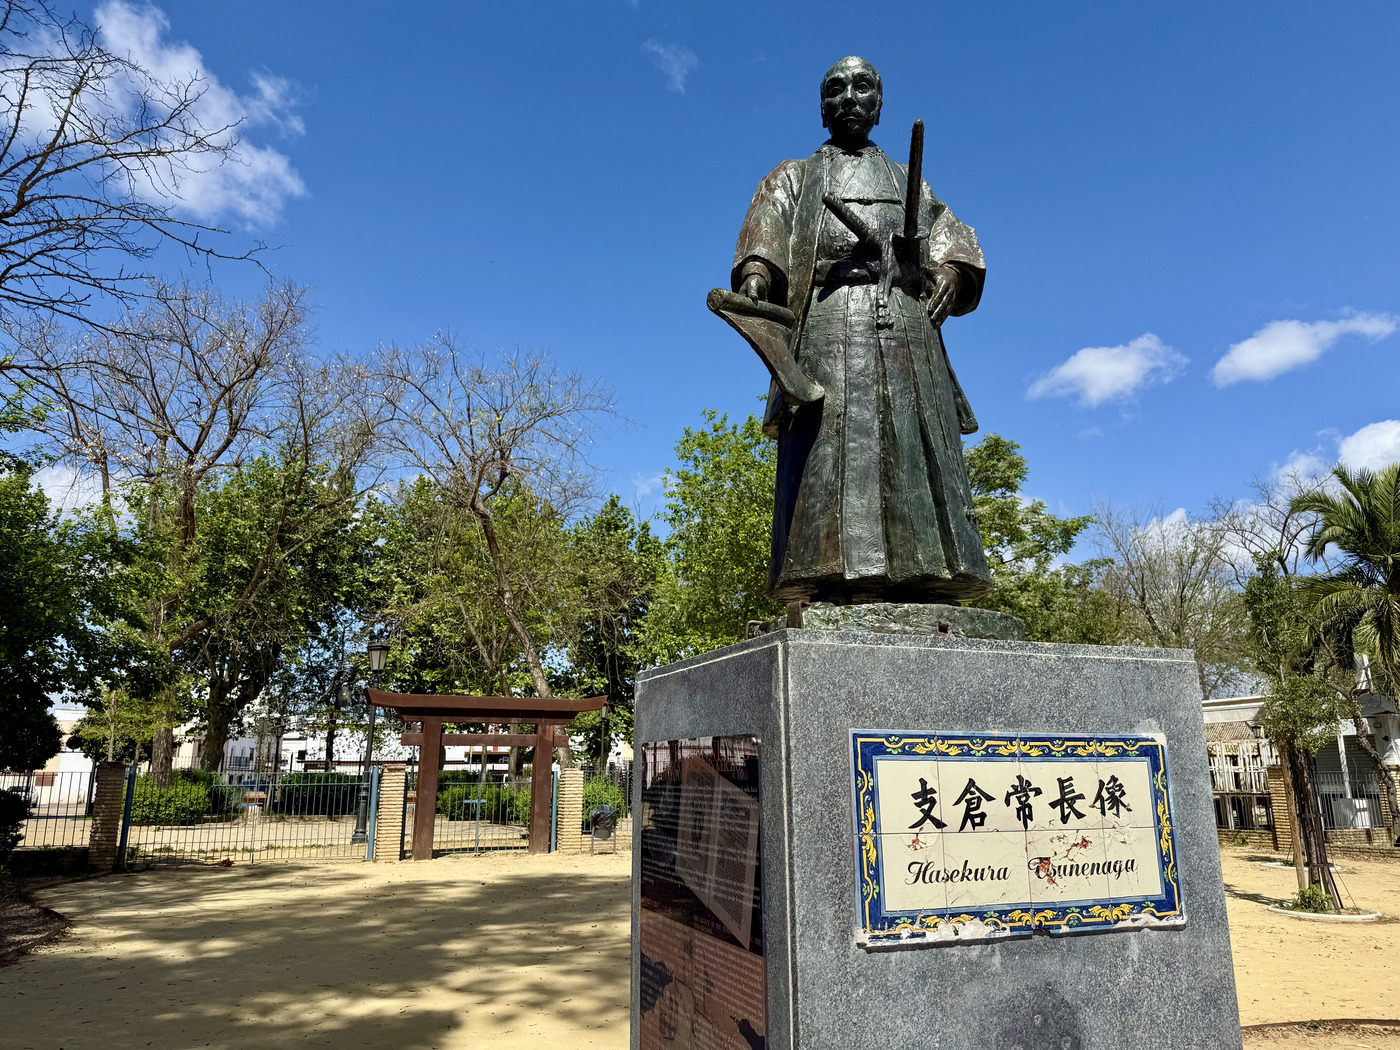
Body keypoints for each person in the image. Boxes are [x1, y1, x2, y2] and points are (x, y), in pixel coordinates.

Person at [731, 55, 991, 605]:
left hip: (907, 328)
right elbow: (767, 230)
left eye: (863, 87)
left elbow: (954, 237)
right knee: (829, 447)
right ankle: (824, 576)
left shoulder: (907, 181)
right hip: (828, 318)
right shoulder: (795, 176)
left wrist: (949, 271)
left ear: (880, 103)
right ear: (821, 106)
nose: (849, 97)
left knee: (914, 449)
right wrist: (757, 275)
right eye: (835, 89)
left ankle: (934, 577)